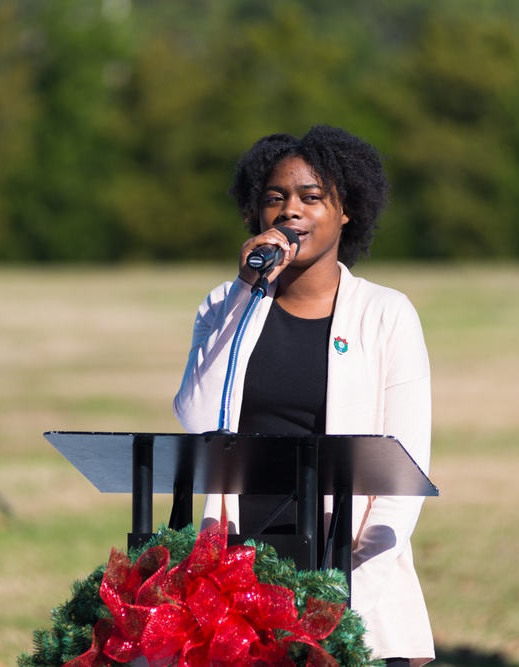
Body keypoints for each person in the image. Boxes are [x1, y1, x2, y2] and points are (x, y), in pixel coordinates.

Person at [173, 125, 434, 666]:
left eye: (311, 198)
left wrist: (343, 603)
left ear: (347, 212)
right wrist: (248, 291)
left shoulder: (386, 315)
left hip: (353, 572)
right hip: (239, 574)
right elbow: (199, 418)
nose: (290, 210)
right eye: (275, 198)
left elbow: (401, 476)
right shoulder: (225, 303)